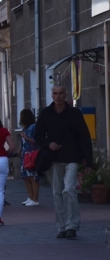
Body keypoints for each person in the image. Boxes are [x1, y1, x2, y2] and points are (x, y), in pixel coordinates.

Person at [34, 85, 93, 239]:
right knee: (57, 192)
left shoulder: (74, 113)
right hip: (54, 158)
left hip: (73, 157)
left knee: (69, 189)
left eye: (61, 93)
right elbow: (38, 135)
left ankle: (72, 226)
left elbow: (84, 137)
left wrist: (89, 161)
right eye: (55, 93)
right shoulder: (46, 113)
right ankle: (61, 227)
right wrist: (48, 144)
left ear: (65, 94)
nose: (58, 96)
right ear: (51, 95)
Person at [19, 108, 40, 206]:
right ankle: (31, 197)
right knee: (26, 177)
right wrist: (20, 151)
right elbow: (22, 142)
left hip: (31, 155)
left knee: (33, 177)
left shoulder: (33, 127)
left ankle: (35, 199)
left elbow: (37, 141)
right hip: (25, 155)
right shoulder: (25, 128)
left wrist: (26, 138)